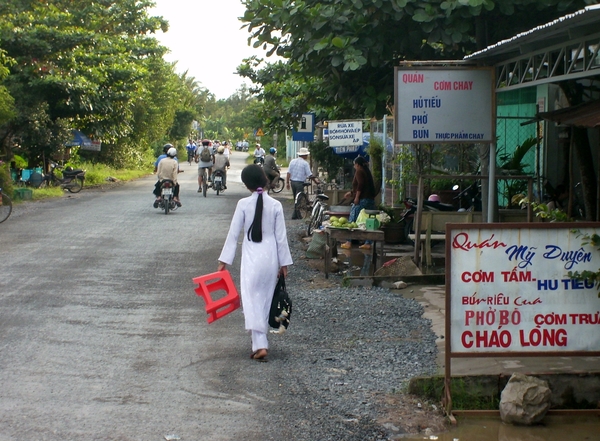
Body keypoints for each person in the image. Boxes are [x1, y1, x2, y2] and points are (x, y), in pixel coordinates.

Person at [217, 165, 293, 361]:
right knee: (265, 300)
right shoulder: (275, 206)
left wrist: (224, 260)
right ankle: (259, 344)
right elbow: (281, 238)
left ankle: (260, 345)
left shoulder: (243, 204)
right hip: (270, 257)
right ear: (265, 180)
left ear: (246, 185)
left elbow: (233, 235)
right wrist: (284, 264)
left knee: (252, 301)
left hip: (252, 256)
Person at [340, 156, 376, 250]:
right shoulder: (367, 172)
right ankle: (368, 243)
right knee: (368, 222)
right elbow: (363, 187)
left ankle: (349, 242)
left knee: (353, 219)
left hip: (362, 200)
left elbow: (360, 185)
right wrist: (351, 193)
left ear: (358, 164)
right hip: (370, 200)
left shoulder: (359, 171)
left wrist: (356, 197)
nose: (354, 166)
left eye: (355, 164)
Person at [286, 147, 319, 219]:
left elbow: (288, 173)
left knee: (295, 198)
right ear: (304, 155)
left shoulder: (292, 161)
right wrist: (316, 181)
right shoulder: (305, 163)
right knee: (299, 200)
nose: (307, 156)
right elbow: (310, 175)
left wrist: (287, 182)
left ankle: (295, 215)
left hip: (293, 182)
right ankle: (297, 215)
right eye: (306, 155)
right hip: (300, 183)